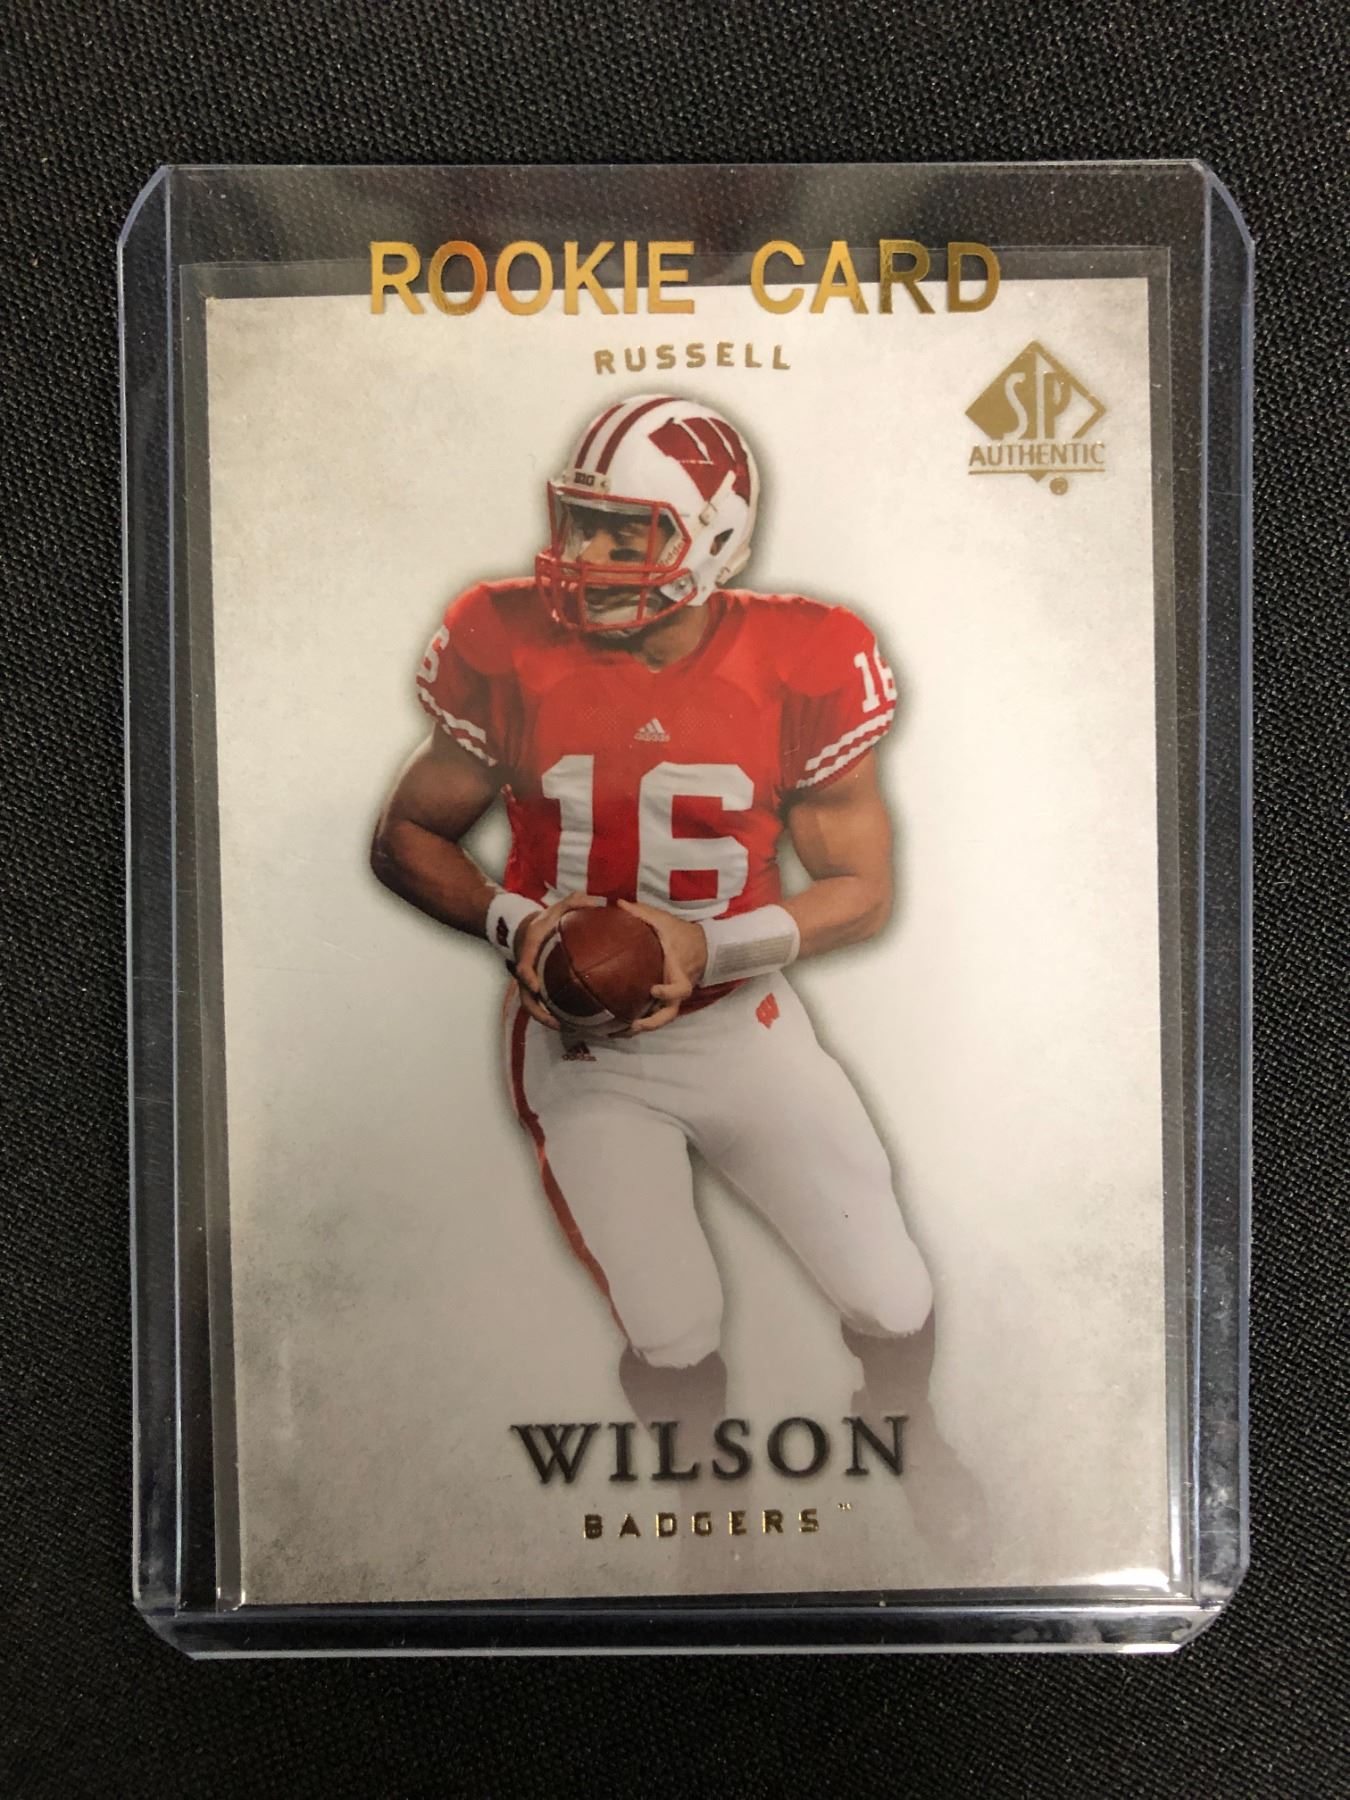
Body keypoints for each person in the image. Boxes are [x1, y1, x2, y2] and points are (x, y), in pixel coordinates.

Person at [371, 394, 946, 1447]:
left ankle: (906, 1431)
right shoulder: (506, 639)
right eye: (579, 522)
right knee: (673, 1326)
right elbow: (407, 833)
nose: (582, 555)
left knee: (892, 1294)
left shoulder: (806, 657)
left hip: (741, 1024)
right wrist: (517, 924)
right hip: (586, 1045)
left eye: (623, 533)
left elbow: (861, 891)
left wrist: (707, 946)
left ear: (715, 540)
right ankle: (694, 1489)